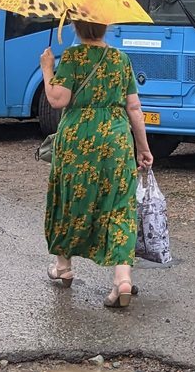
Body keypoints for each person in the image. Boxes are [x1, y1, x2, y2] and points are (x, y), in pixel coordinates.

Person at [39, 21, 154, 308]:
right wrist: (143, 147)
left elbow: (57, 99)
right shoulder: (120, 59)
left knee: (71, 200)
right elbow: (135, 108)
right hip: (116, 140)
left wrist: (47, 67)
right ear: (105, 25)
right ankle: (122, 280)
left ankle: (63, 266)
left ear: (76, 26)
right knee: (119, 206)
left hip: (77, 140)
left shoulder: (73, 58)